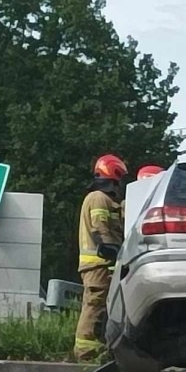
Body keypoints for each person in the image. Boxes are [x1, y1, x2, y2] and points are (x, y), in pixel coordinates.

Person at [74, 154, 127, 361]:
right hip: (98, 265)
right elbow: (100, 228)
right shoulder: (98, 198)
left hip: (104, 264)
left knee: (102, 307)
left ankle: (98, 349)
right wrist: (113, 251)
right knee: (94, 305)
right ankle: (85, 352)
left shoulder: (108, 200)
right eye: (120, 178)